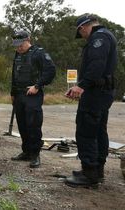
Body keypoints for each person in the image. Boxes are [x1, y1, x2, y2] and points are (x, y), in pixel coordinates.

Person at [64, 14, 117, 188]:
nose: (83, 36)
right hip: (103, 92)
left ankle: (89, 174)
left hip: (95, 93)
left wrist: (81, 86)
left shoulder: (98, 38)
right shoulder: (107, 35)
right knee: (99, 131)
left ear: (84, 27)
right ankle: (97, 171)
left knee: (86, 131)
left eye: (81, 33)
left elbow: (96, 64)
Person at [10, 30, 56, 168]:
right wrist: (12, 93)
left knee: (33, 125)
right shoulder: (17, 54)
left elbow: (51, 71)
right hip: (19, 95)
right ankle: (27, 152)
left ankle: (35, 155)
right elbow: (14, 74)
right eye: (16, 45)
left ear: (28, 40)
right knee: (22, 125)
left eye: (21, 44)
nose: (18, 47)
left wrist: (37, 85)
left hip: (33, 95)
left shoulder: (39, 53)